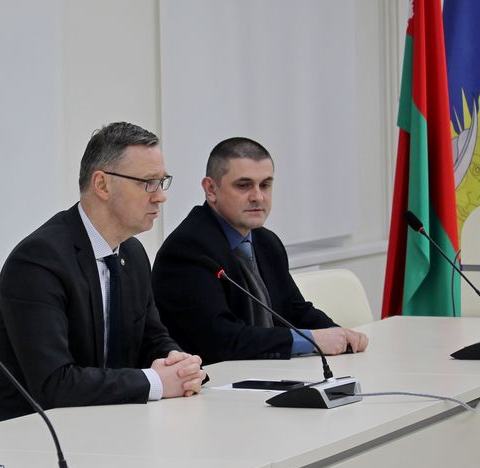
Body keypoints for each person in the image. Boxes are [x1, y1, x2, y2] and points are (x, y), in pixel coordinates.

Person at [0, 122, 205, 422]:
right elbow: (54, 384)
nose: (160, 196)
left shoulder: (132, 254)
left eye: (161, 182)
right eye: (148, 183)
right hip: (37, 433)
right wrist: (155, 382)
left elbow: (152, 339)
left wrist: (178, 365)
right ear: (102, 185)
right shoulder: (38, 261)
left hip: (110, 420)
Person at [152, 137, 368, 365]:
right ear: (211, 189)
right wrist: (312, 340)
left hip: (266, 372)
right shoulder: (187, 250)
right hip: (213, 379)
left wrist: (339, 334)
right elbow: (222, 339)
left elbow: (294, 310)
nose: (258, 197)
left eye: (265, 185)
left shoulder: (266, 241)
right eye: (244, 185)